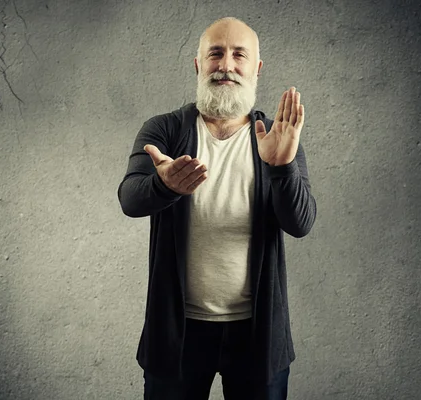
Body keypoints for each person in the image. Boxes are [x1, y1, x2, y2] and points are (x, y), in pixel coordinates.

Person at [118, 16, 317, 400]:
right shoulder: (164, 130)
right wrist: (163, 184)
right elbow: (130, 198)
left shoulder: (277, 138)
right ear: (198, 65)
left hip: (257, 332)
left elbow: (301, 222)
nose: (226, 65)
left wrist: (282, 167)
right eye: (216, 54)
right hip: (179, 331)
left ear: (256, 69)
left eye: (239, 55)